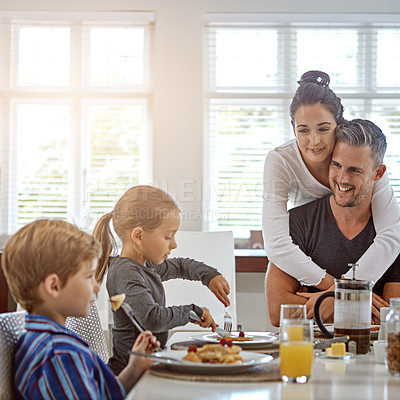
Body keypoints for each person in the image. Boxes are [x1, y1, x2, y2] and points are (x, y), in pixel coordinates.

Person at [262, 71, 400, 290]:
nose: (314, 141)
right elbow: (277, 244)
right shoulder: (280, 160)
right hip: (310, 245)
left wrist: (352, 286)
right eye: (303, 130)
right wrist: (338, 290)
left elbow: (392, 235)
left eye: (324, 129)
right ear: (293, 128)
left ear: (339, 124)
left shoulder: (360, 156)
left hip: (357, 242)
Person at [1, 219, 160, 399]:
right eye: (88, 276)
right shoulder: (60, 356)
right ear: (54, 286)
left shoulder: (49, 341)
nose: (96, 286)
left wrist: (134, 368)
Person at [266, 119, 400, 326]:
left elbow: (390, 316)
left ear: (378, 173)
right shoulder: (299, 222)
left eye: (355, 170)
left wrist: (330, 301)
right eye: (336, 165)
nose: (342, 179)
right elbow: (278, 311)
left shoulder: (392, 228)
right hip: (311, 352)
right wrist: (351, 299)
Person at [93, 185, 231, 374]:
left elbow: (181, 266)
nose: (174, 244)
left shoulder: (145, 265)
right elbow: (152, 319)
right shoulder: (125, 273)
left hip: (145, 366)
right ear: (139, 236)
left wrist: (209, 276)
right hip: (129, 374)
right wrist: (193, 311)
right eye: (168, 237)